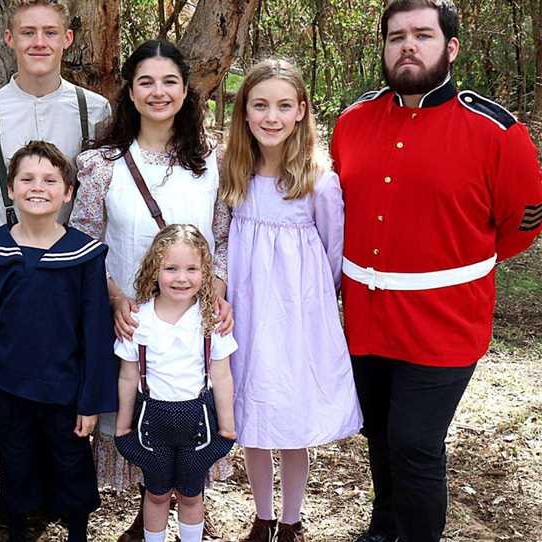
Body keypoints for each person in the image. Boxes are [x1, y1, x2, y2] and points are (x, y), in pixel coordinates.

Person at [330, 1, 542, 541]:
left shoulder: (497, 131)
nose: (408, 45)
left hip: (445, 321)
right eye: (396, 35)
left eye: (422, 35)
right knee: (377, 432)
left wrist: (452, 267)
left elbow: (521, 225)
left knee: (415, 443)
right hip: (367, 318)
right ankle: (383, 526)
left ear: (450, 47)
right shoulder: (354, 122)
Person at [69, 39, 233, 542]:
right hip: (130, 318)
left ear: (186, 90)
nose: (158, 92)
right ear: (130, 91)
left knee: (188, 412)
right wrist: (116, 298)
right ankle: (151, 512)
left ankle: (170, 514)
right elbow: (85, 242)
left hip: (195, 320)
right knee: (139, 414)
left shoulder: (214, 160)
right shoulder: (102, 164)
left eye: (169, 81)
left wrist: (218, 297)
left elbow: (222, 239)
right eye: (146, 81)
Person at [221, 58, 362, 542]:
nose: (271, 117)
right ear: (244, 112)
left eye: (283, 106)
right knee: (254, 412)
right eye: (260, 105)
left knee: (292, 415)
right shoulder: (233, 173)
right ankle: (262, 516)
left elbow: (333, 249)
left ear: (301, 111)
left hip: (299, 314)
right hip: (247, 310)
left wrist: (315, 307)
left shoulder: (318, 180)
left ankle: (291, 520)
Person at [0, 141, 118, 542]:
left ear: (68, 192)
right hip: (10, 387)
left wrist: (90, 401)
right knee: (16, 462)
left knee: (71, 462)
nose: (38, 187)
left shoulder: (83, 254)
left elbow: (96, 334)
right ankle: (18, 530)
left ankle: (77, 531)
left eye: (50, 180)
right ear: (9, 189)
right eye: (27, 178)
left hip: (65, 388)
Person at [114, 224, 237, 542]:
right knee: (156, 494)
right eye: (171, 268)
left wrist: (227, 425)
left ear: (204, 272)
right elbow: (128, 375)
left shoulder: (211, 321)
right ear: (154, 270)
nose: (181, 278)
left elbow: (222, 375)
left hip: (198, 420)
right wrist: (123, 424)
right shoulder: (138, 320)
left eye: (192, 269)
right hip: (151, 421)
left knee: (191, 495)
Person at [0, 0, 111, 233]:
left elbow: (103, 202)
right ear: (10, 38)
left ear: (68, 38)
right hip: (4, 259)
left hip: (74, 258)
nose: (39, 42)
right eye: (28, 33)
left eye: (50, 32)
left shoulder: (95, 110)